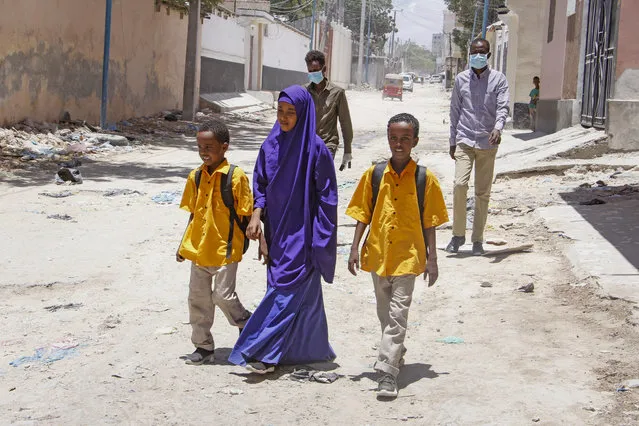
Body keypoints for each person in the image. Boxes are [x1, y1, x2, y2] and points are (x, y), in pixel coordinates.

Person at [229, 85, 338, 374]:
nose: (285, 118)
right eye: (280, 111)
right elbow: (260, 187)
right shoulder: (270, 146)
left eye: (291, 112)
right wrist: (257, 218)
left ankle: (262, 352)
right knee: (301, 296)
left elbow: (328, 199)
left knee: (285, 291)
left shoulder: (316, 150)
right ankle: (308, 350)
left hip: (304, 233)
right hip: (276, 231)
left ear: (303, 114)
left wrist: (321, 238)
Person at [346, 113, 449, 399]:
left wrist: (432, 259)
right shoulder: (375, 174)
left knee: (397, 314)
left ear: (415, 141)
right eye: (394, 138)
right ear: (388, 139)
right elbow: (362, 215)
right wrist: (355, 248)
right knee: (385, 314)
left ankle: (387, 373)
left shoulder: (425, 178)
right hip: (378, 254)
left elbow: (430, 221)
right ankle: (396, 351)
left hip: (408, 256)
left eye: (405, 139)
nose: (399, 144)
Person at [176, 121, 253, 365]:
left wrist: (259, 239)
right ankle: (203, 347)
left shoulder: (235, 176)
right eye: (200, 146)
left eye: (209, 146)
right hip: (199, 250)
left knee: (223, 296)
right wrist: (182, 245)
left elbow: (247, 214)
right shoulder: (196, 176)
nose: (204, 151)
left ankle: (246, 323)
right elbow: (193, 214)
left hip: (225, 250)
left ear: (224, 147)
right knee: (197, 300)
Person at [446, 38, 510, 256]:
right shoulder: (461, 80)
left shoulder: (499, 80)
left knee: (482, 193)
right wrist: (452, 140)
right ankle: (457, 235)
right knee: (459, 185)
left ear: (488, 55)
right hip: (464, 139)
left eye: (481, 52)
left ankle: (477, 240)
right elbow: (455, 110)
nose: (477, 55)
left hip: (487, 142)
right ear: (469, 54)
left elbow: (503, 107)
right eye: (474, 52)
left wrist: (498, 128)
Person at [304, 50, 354, 170]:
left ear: (324, 69)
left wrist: (347, 151)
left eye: (316, 71)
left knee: (321, 174)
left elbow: (345, 122)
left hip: (328, 144)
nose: (313, 74)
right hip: (307, 143)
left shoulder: (337, 93)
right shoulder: (304, 92)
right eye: (310, 71)